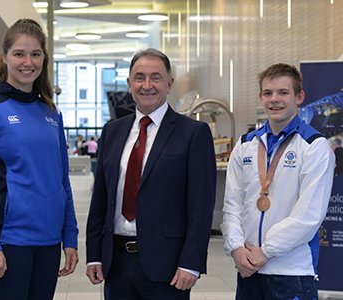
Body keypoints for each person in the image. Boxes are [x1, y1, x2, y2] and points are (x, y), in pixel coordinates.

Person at [0, 18, 79, 300]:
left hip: (49, 242)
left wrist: (70, 237)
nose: (28, 62)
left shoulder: (52, 113)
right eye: (19, 53)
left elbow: (62, 180)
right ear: (5, 57)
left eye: (35, 54)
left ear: (44, 58)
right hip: (8, 241)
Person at [85, 48, 217, 299]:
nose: (147, 85)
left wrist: (191, 262)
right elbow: (100, 199)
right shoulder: (112, 131)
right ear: (129, 83)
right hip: (116, 264)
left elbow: (201, 205)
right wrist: (94, 255)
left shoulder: (192, 133)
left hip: (168, 266)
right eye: (139, 77)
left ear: (169, 83)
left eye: (156, 77)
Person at [221, 63, 335, 300]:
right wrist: (236, 249)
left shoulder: (314, 147)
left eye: (283, 92)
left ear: (299, 97)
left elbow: (309, 216)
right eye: (268, 93)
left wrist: (266, 251)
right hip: (249, 268)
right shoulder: (245, 145)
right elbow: (232, 205)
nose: (275, 99)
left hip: (292, 272)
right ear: (260, 97)